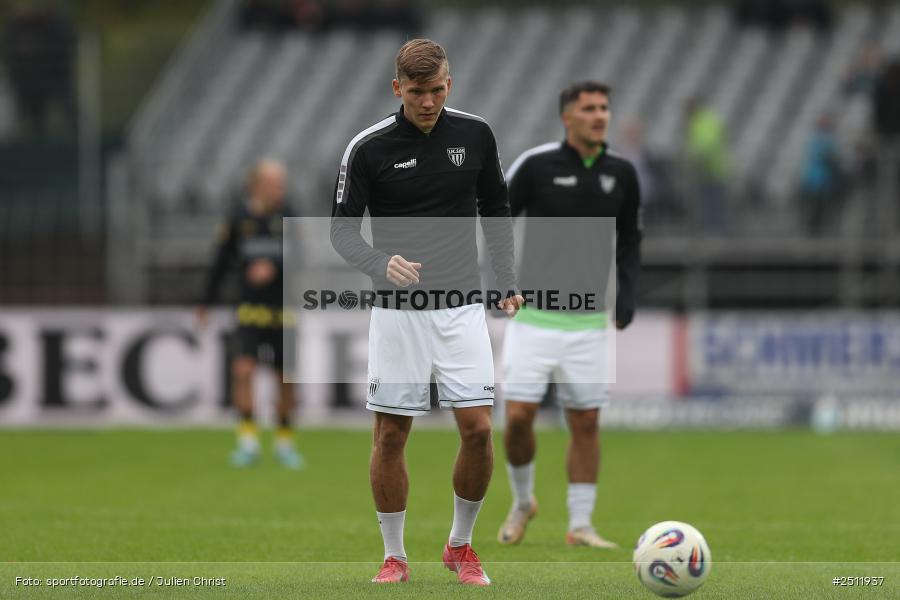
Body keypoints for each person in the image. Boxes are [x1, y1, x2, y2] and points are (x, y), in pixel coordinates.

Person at [330, 38, 523, 586]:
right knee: (391, 434)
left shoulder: (475, 135)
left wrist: (506, 280)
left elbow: (497, 208)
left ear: (449, 84)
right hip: (398, 312)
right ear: (398, 89)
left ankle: (460, 546)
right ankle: (394, 556)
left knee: (480, 430)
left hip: (461, 306)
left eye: (438, 90)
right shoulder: (367, 148)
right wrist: (378, 262)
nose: (429, 101)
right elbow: (341, 229)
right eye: (418, 92)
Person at [497, 81, 642, 549]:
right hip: (534, 318)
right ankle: (523, 502)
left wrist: (628, 294)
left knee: (585, 423)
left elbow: (632, 240)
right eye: (589, 109)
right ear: (567, 117)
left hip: (588, 324)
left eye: (604, 108)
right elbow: (494, 220)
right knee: (518, 418)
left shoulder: (622, 173)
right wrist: (500, 283)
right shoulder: (537, 166)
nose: (600, 116)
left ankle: (580, 525)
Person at [196, 158, 304, 470]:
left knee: (285, 378)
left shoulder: (289, 215)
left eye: (282, 184)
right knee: (243, 371)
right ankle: (247, 443)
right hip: (248, 308)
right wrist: (206, 301)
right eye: (275, 184)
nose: (280, 190)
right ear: (255, 185)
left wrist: (275, 266)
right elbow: (220, 262)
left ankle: (285, 443)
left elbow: (300, 257)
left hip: (284, 309)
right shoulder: (237, 219)